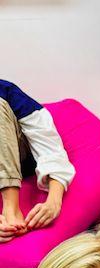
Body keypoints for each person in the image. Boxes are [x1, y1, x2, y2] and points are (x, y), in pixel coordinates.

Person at [0, 79, 75, 242]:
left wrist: (54, 201)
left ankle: (11, 210)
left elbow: (51, 150)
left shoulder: (7, 91)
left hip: (18, 155)